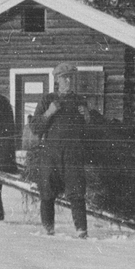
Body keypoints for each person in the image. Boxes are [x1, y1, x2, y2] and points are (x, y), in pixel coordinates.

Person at [28, 63, 92, 237]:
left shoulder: (80, 102)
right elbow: (35, 127)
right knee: (47, 193)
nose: (68, 81)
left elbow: (88, 133)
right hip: (51, 154)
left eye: (71, 77)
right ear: (57, 79)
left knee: (77, 194)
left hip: (73, 155)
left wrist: (86, 117)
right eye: (64, 77)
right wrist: (49, 112)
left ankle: (81, 231)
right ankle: (48, 230)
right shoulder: (48, 100)